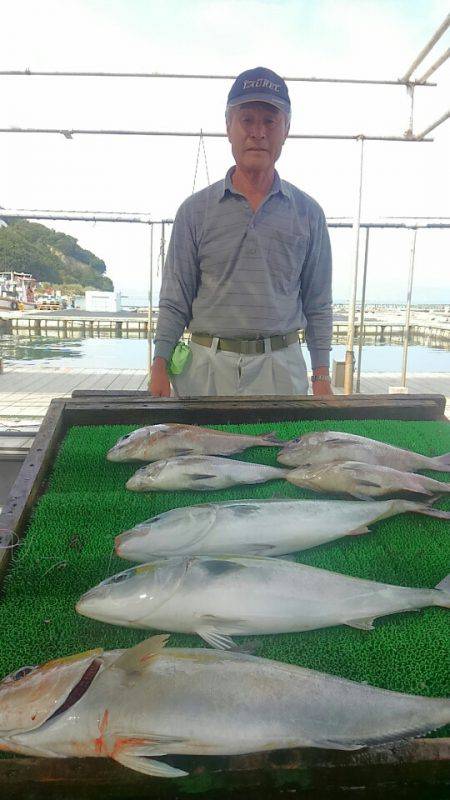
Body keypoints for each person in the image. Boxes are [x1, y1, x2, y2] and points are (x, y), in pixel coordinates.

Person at [151, 66, 332, 398]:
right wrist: (159, 362)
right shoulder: (193, 211)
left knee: (280, 449)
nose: (258, 132)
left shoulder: (309, 213)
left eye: (270, 121)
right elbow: (175, 298)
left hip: (281, 367)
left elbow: (318, 303)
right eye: (247, 120)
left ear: (286, 129)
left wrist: (321, 374)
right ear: (229, 128)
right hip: (204, 367)